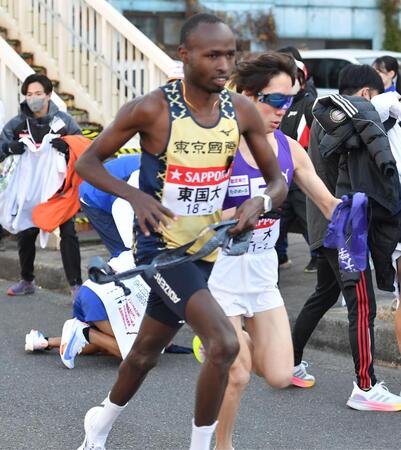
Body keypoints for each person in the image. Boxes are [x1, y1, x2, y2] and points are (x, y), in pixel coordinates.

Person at [74, 13, 288, 450]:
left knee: (143, 354)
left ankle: (99, 422)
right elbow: (87, 163)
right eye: (213, 55)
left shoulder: (240, 111)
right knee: (224, 344)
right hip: (161, 250)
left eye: (230, 54)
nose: (224, 64)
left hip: (206, 251)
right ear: (185, 56)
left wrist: (260, 202)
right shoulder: (152, 108)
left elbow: (278, 182)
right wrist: (134, 196)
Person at [205, 52, 339, 450]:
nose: (283, 110)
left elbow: (329, 204)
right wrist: (241, 209)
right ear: (246, 94)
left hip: (263, 274)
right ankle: (223, 444)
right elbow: (197, 213)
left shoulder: (288, 149)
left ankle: (227, 343)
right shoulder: (221, 145)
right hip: (220, 272)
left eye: (290, 101)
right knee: (239, 374)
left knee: (280, 374)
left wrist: (364, 218)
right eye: (275, 100)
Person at [291, 64, 401, 410]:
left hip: (326, 225)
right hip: (343, 226)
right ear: (366, 94)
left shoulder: (323, 118)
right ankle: (365, 387)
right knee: (362, 303)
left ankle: (288, 361)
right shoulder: (342, 119)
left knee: (324, 295)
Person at [0, 74, 82, 298]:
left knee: (68, 232)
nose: (33, 98)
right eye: (28, 95)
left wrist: (67, 148)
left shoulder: (63, 122)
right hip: (27, 189)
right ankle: (27, 280)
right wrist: (9, 148)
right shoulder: (17, 124)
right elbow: (0, 147)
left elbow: (83, 147)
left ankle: (76, 286)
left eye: (37, 94)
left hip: (58, 190)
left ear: (48, 94)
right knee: (26, 232)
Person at [275, 49, 318, 272]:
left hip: (301, 171)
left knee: (308, 218)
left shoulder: (309, 103)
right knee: (278, 219)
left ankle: (320, 255)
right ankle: (278, 257)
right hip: (281, 173)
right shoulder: (278, 105)